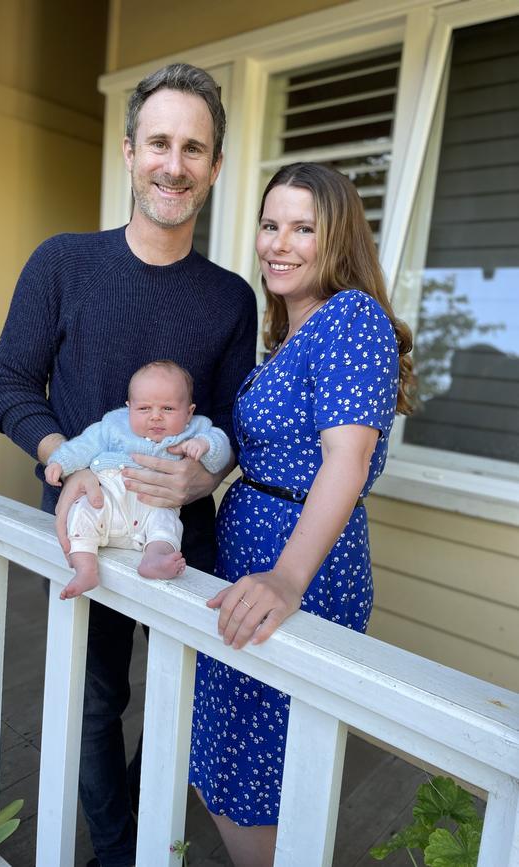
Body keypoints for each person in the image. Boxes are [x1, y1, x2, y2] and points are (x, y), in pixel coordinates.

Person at [0, 63, 257, 867]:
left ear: (214, 166)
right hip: (91, 535)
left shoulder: (231, 298)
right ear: (130, 149)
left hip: (184, 542)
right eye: (160, 142)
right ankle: (115, 851)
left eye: (194, 148)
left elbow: (234, 422)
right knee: (100, 697)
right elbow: (10, 383)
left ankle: (140, 830)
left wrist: (206, 476)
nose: (174, 163)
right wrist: (57, 461)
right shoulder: (63, 263)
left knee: (184, 703)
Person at [188, 162, 414, 867]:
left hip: (300, 573)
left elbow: (344, 461)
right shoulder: (292, 334)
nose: (278, 243)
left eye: (302, 228)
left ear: (337, 239)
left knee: (258, 773)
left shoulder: (351, 317)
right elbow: (263, 449)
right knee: (228, 762)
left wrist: (286, 578)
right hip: (250, 560)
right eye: (269, 224)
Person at [44, 360, 232, 595]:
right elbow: (85, 444)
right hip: (109, 495)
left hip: (156, 502)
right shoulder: (114, 424)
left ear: (189, 412)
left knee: (166, 525)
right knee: (83, 511)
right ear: (129, 407)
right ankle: (85, 569)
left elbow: (222, 449)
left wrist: (204, 444)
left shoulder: (197, 429)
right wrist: (61, 462)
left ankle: (155, 558)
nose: (156, 417)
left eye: (168, 409)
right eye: (144, 409)